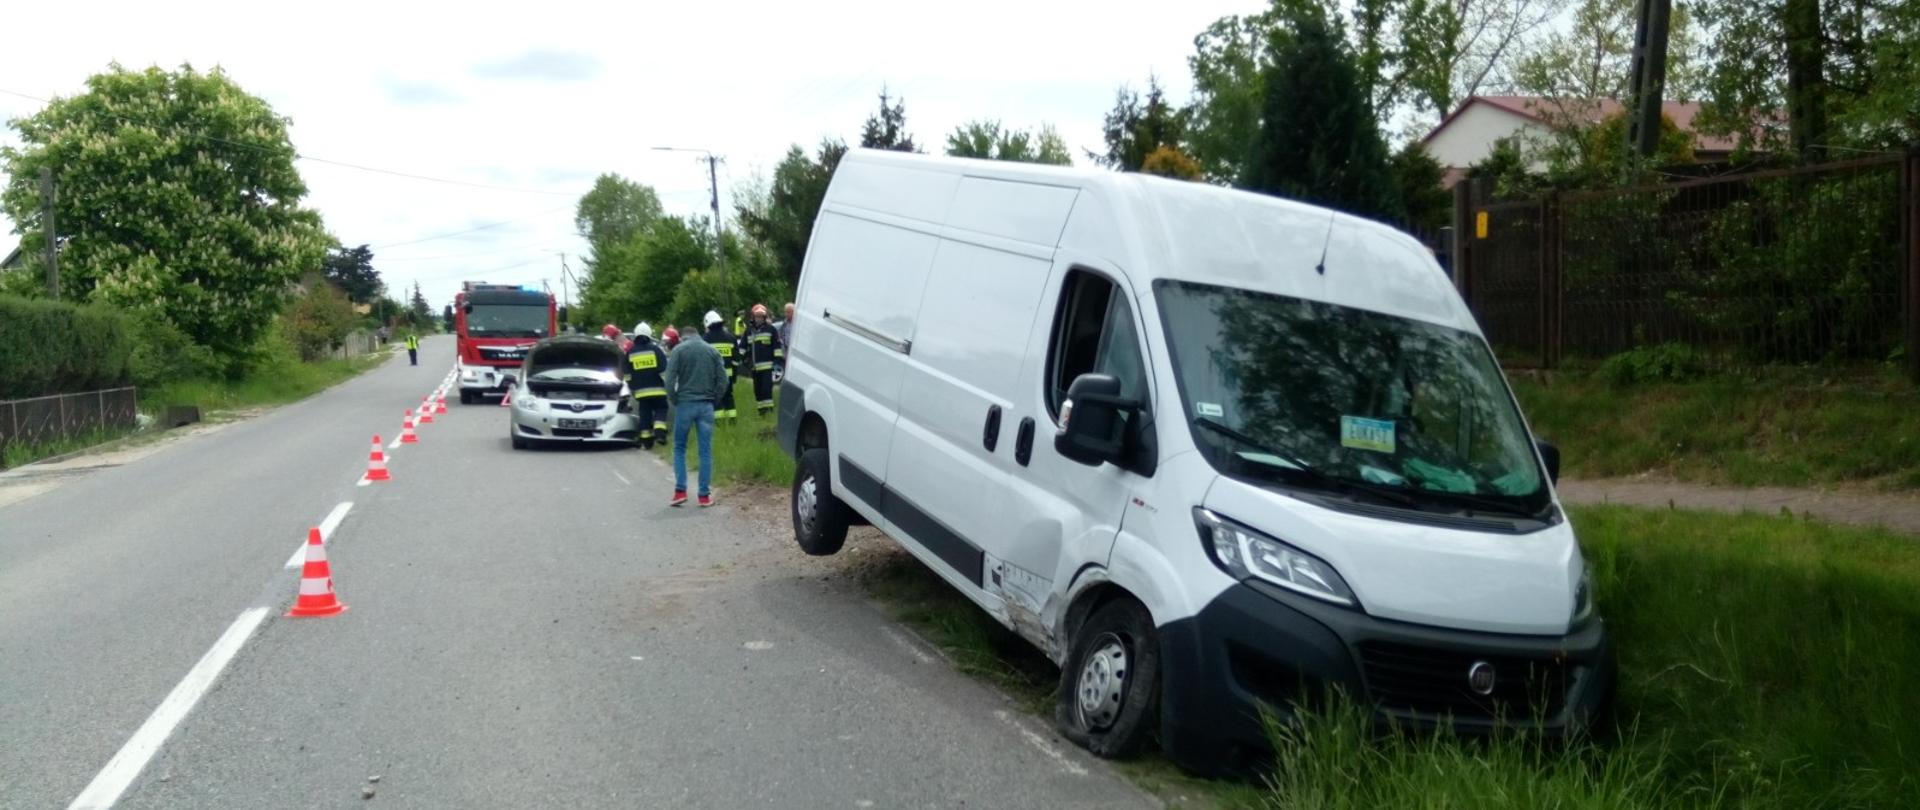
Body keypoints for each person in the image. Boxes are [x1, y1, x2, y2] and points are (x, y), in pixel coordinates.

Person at [665, 321, 727, 507]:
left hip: (685, 404)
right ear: (699, 334)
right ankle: (704, 496)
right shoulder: (712, 351)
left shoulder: (679, 350)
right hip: (706, 405)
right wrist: (713, 400)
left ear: (683, 337)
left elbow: (669, 380)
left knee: (679, 448)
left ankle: (680, 491)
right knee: (705, 451)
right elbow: (723, 380)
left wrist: (675, 399)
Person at [626, 322, 670, 449]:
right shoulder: (656, 350)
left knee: (644, 414)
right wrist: (668, 384)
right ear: (649, 335)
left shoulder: (631, 352)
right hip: (658, 390)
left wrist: (632, 388)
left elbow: (627, 374)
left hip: (641, 392)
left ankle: (646, 441)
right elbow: (663, 370)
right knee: (661, 408)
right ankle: (660, 432)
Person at [744, 303, 783, 417]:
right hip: (755, 368)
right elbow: (743, 346)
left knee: (766, 389)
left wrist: (777, 361)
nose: (759, 318)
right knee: (757, 391)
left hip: (767, 367)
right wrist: (743, 359)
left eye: (761, 316)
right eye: (757, 316)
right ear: (753, 317)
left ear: (764, 317)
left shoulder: (771, 330)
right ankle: (761, 412)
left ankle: (769, 411)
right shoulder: (749, 331)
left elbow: (777, 346)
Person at [702, 310, 739, 423]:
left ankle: (719, 423)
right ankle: (732, 421)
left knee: (716, 398)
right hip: (728, 376)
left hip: (713, 376)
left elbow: (703, 360)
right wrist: (734, 376)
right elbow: (736, 360)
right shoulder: (730, 338)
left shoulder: (705, 339)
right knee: (728, 397)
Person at [778, 302, 795, 372]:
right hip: (786, 348)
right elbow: (780, 333)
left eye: (788, 312)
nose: (786, 314)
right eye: (785, 312)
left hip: (793, 349)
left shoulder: (796, 323)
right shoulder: (785, 323)